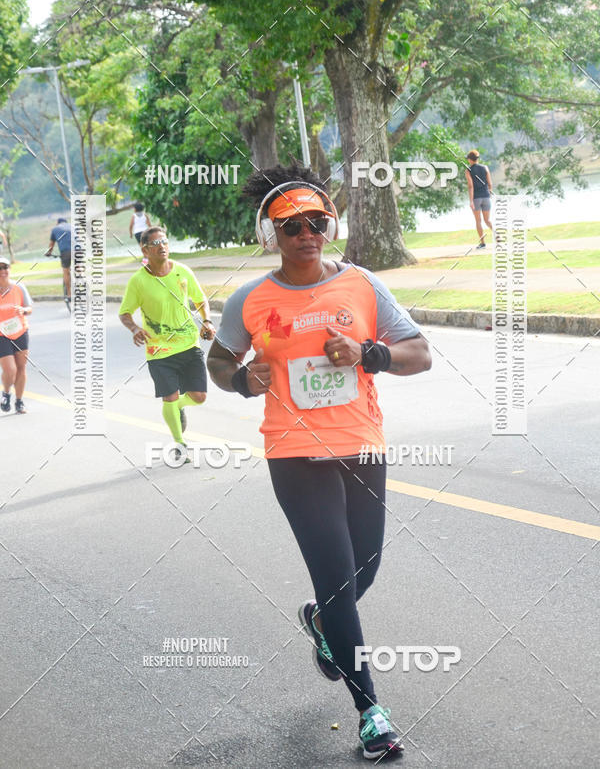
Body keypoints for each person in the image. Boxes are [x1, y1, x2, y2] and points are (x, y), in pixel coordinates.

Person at [207, 165, 432, 761]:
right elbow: (219, 360)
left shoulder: (361, 285)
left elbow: (420, 353)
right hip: (293, 451)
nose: (306, 233)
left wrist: (368, 352)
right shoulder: (250, 300)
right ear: (271, 234)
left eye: (316, 222)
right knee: (336, 578)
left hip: (361, 443)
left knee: (365, 569)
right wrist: (241, 380)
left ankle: (322, 621)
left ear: (329, 225)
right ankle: (371, 713)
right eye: (292, 226)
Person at [118, 226, 216, 453]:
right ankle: (180, 443)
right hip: (159, 350)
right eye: (155, 244)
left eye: (164, 241)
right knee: (169, 397)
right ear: (145, 250)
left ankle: (177, 407)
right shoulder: (138, 281)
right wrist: (134, 328)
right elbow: (124, 313)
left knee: (199, 397)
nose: (161, 246)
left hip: (188, 343)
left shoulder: (182, 271)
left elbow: (200, 299)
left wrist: (207, 321)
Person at [0, 257, 33, 415]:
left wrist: (23, 310)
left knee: (21, 368)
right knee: (10, 370)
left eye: (5, 267)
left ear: (9, 269)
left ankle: (19, 401)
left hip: (20, 331)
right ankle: (6, 393)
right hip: (1, 334)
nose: (2, 271)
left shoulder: (19, 287)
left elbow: (29, 308)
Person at [465, 149, 493, 248]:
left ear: (470, 159)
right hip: (486, 197)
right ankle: (497, 234)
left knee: (478, 221)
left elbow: (470, 186)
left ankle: (482, 243)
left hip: (476, 198)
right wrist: (489, 193)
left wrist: (471, 201)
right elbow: (490, 183)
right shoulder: (485, 168)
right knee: (487, 220)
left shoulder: (468, 170)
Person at [46, 217, 72, 299]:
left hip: (66, 252)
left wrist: (48, 253)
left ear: (58, 223)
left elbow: (51, 245)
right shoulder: (72, 226)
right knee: (78, 268)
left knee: (66, 272)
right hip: (79, 250)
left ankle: (69, 294)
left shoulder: (55, 229)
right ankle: (81, 278)